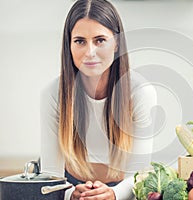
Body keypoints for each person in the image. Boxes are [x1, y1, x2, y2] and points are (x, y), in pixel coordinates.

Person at [40, 0, 157, 199]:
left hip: (125, 188)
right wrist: (70, 194)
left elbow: (140, 174)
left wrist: (114, 194)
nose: (90, 52)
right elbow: (50, 174)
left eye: (100, 40)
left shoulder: (140, 92)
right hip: (69, 186)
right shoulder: (53, 93)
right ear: (68, 44)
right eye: (80, 41)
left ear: (116, 43)